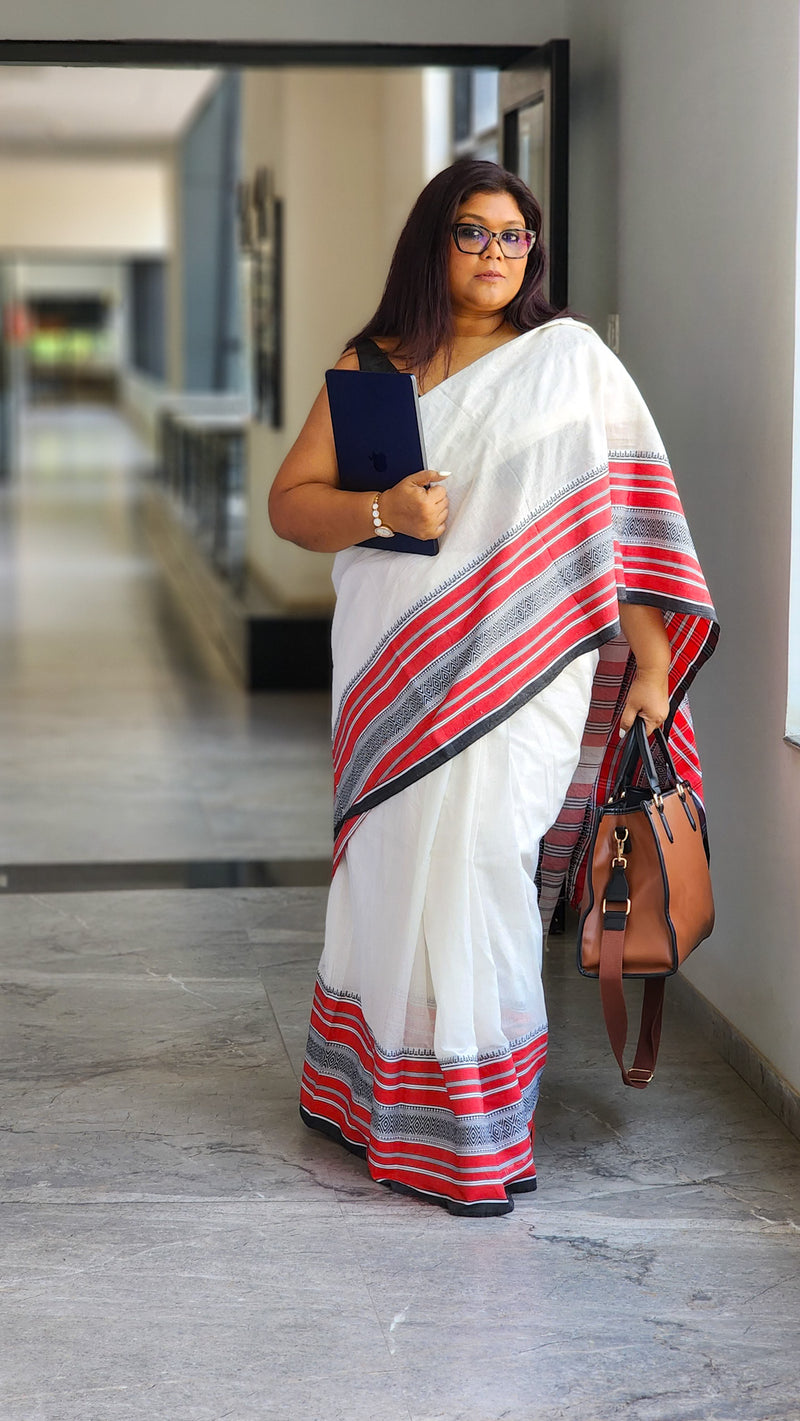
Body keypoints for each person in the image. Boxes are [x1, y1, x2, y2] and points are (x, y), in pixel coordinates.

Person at [269, 158, 718, 1217]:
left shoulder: (567, 362)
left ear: (534, 252)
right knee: (390, 867)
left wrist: (651, 669)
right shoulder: (377, 361)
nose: (492, 255)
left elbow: (622, 523)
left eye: (513, 237)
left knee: (480, 864)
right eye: (471, 233)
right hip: (389, 669)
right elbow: (293, 506)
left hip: (523, 673)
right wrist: (385, 511)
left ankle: (470, 1126)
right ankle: (375, 1089)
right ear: (434, 242)